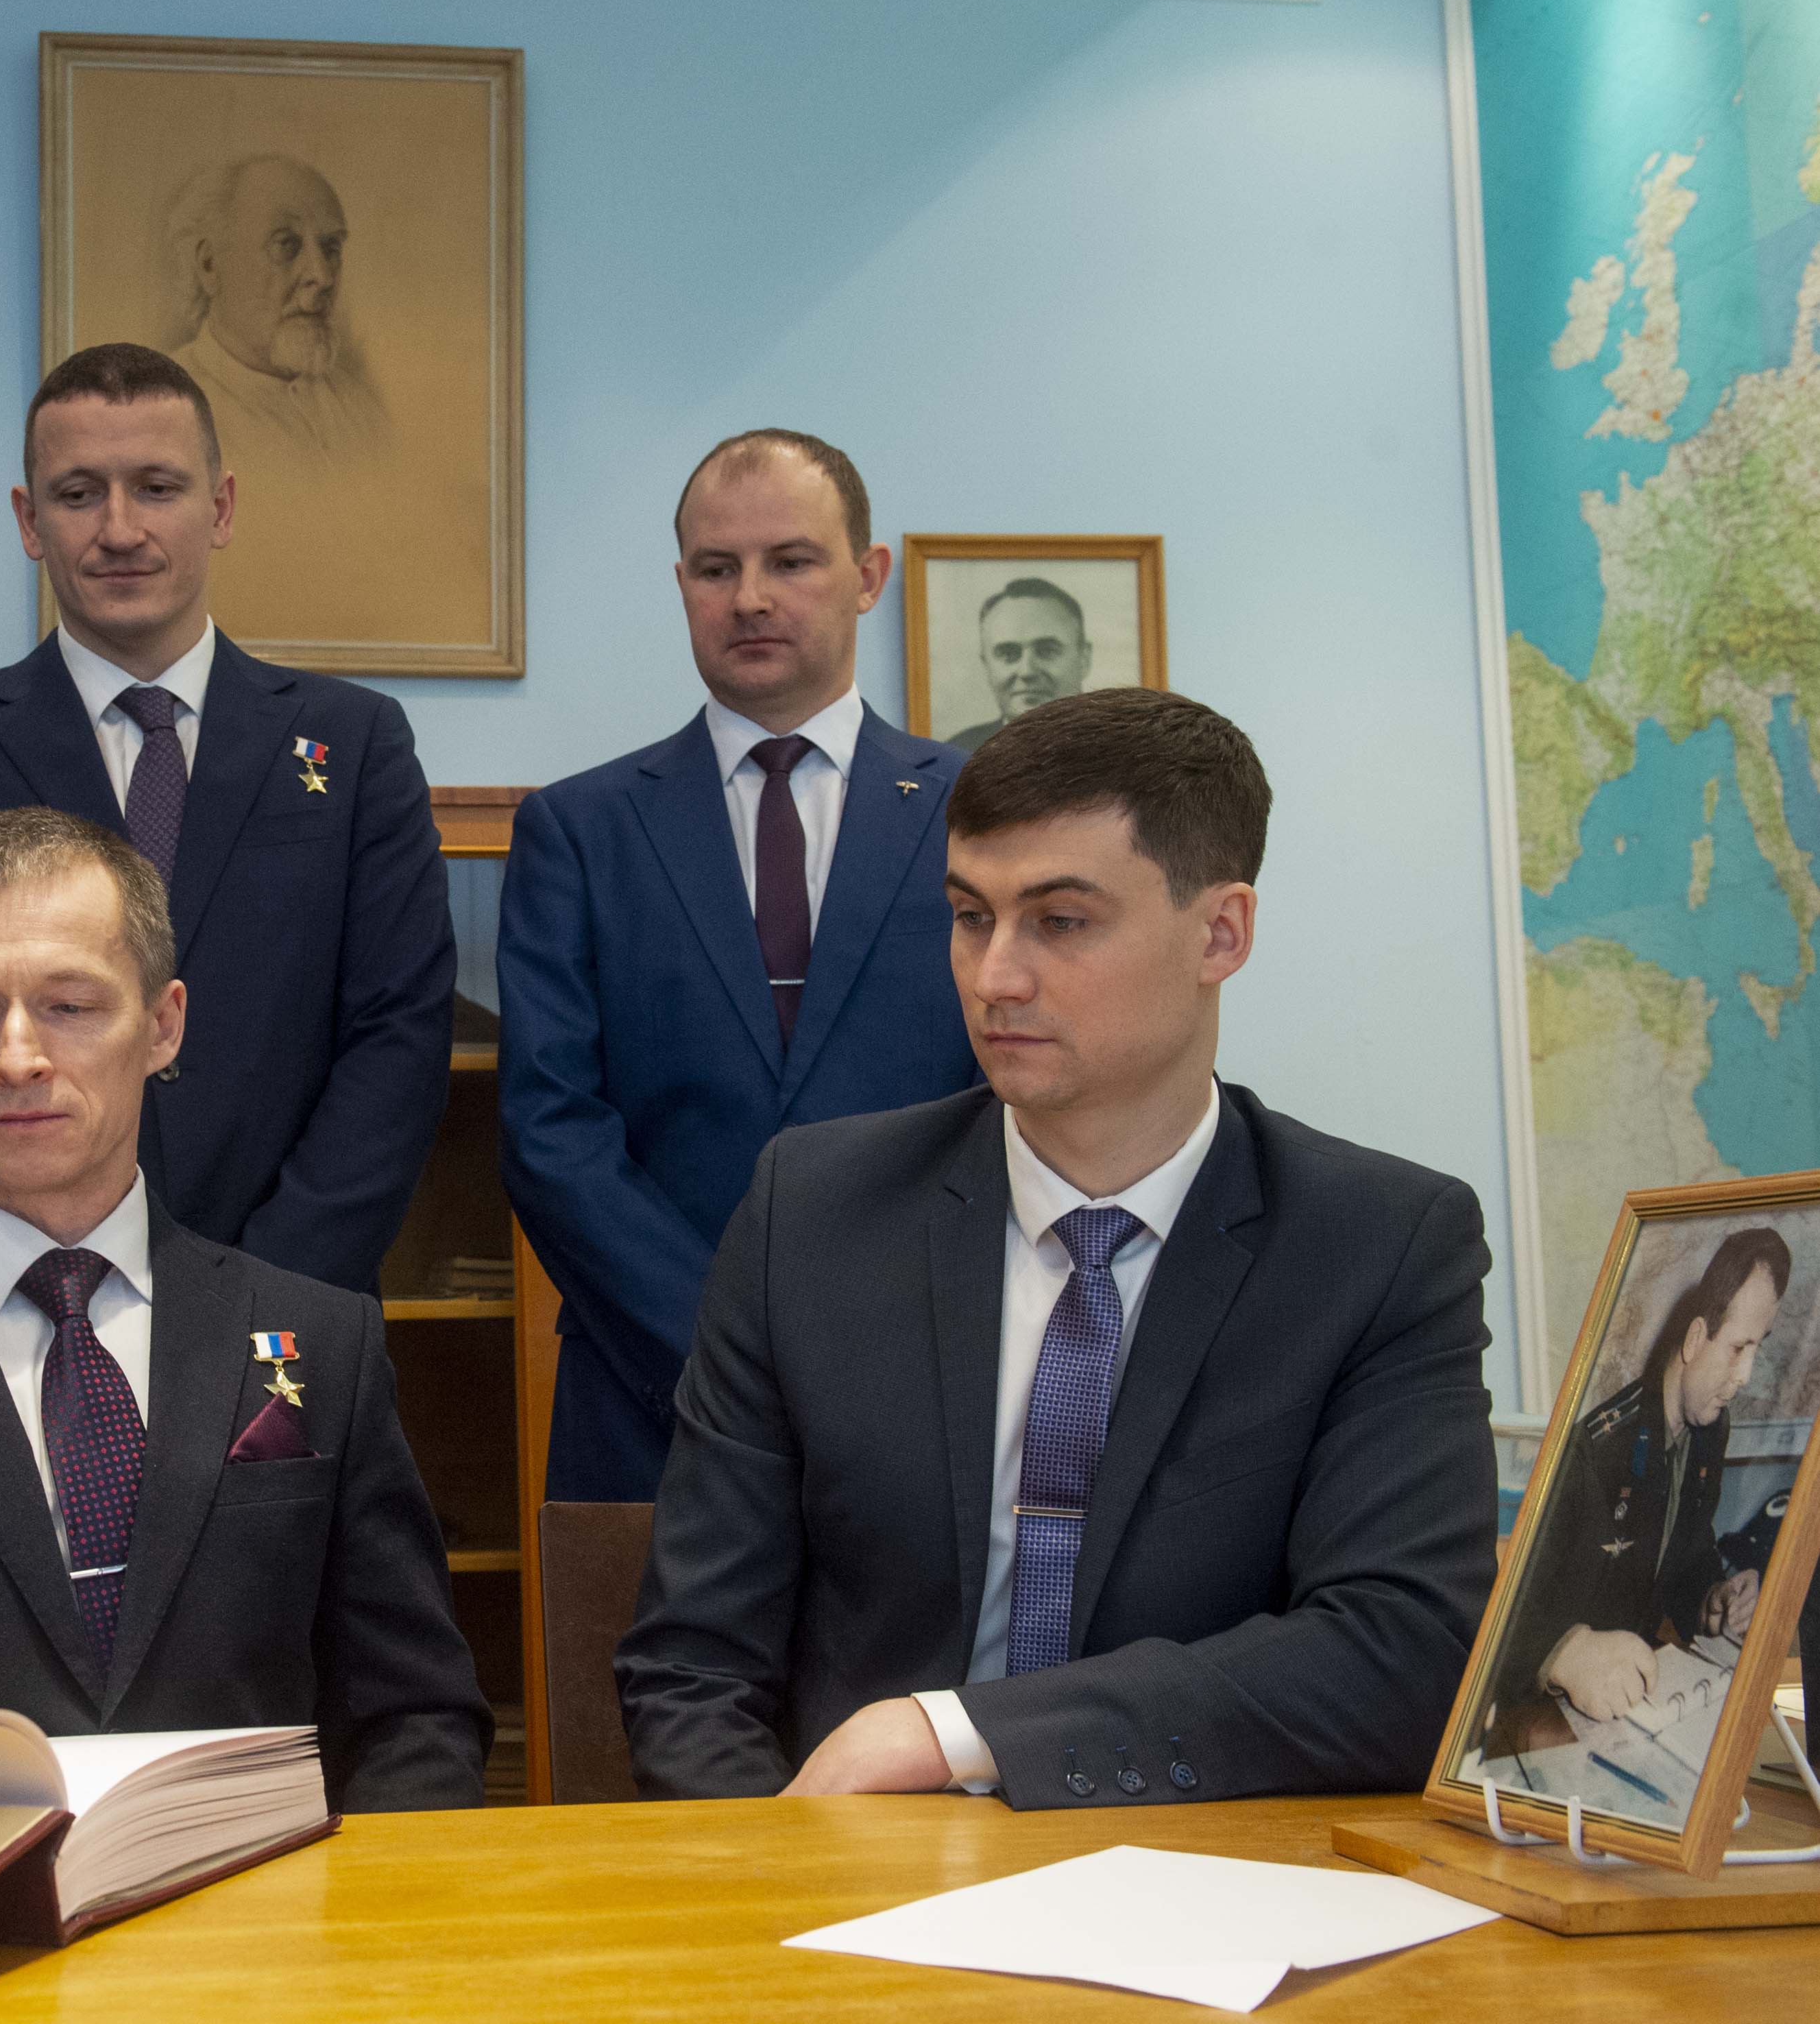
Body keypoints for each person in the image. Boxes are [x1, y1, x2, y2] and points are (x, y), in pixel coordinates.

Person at [617, 688, 1497, 1805]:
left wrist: (957, 1733)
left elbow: (1401, 1656)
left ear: (1221, 933)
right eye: (969, 916)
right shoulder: (813, 1212)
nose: (994, 977)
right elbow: (692, 1670)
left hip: (1200, 1866)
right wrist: (782, 1875)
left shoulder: (1379, 1245)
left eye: (1060, 921)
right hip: (848, 1863)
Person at [0, 808, 489, 1810]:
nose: (18, 1056)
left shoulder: (322, 1339)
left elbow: (413, 1718)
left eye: (70, 1004)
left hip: (271, 1897)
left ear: (162, 1024)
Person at [0, 344, 453, 1295]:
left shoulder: (354, 742)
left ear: (222, 508)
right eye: (79, 494)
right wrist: (22, 1268)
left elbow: (398, 1032)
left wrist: (262, 1286)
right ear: (29, 521)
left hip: (288, 1300)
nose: (120, 529)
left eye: (157, 488)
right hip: (14, 1302)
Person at [499, 429, 980, 1503]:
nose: (750, 597)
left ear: (868, 577)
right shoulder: (580, 830)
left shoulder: (978, 814)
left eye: (790, 562)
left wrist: (876, 1357)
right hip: (649, 1396)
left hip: (923, 1393)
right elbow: (551, 1131)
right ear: (683, 585)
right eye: (717, 569)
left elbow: (1014, 1096)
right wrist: (723, 1363)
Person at [1489, 1229, 1786, 1735]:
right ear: (1695, 1339)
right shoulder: (1597, 1447)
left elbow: (1686, 1552)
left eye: (1758, 1349)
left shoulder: (1708, 1432)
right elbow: (1504, 1607)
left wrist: (1712, 1596)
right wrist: (1565, 1652)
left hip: (1635, 1698)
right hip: (1539, 1712)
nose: (1746, 1376)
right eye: (1739, 1348)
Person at [165, 155, 387, 458]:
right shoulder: (166, 410)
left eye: (331, 248)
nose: (323, 277)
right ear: (210, 265)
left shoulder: (361, 406)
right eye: (286, 245)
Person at [946, 577, 1091, 754]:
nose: (1027, 672)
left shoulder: (1118, 749)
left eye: (1047, 651)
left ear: (1084, 659)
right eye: (1009, 655)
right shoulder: (957, 754)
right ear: (987, 665)